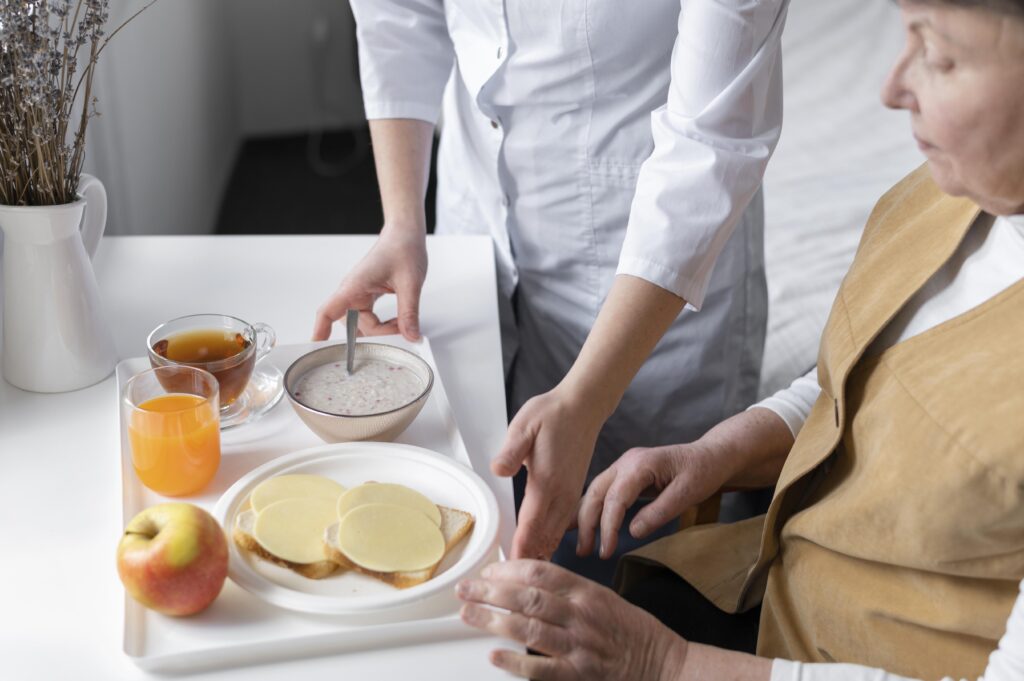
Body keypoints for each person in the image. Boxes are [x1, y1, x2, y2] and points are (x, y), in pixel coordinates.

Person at [455, 0, 1024, 678]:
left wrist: (663, 661)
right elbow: (862, 380)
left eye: (940, 55)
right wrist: (723, 451)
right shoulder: (951, 195)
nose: (892, 88)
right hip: (771, 596)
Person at [313, 0, 789, 568]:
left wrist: (588, 398)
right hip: (475, 226)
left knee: (628, 559)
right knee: (469, 518)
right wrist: (402, 223)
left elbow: (709, 143)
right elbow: (400, 17)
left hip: (647, 278)